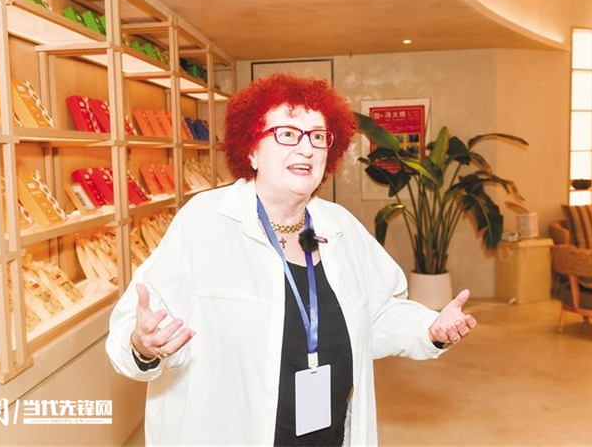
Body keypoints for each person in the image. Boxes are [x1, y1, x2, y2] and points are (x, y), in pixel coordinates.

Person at [106, 73, 477, 446]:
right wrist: (142, 346)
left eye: (317, 136)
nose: (306, 149)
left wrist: (429, 328)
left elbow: (378, 314)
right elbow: (134, 330)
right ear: (251, 150)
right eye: (287, 134)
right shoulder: (204, 222)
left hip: (328, 435)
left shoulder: (341, 227)